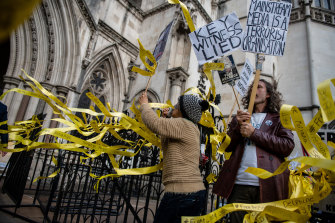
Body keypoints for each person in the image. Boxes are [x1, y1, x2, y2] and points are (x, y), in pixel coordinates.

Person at [213, 79, 295, 223]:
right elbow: (227, 147)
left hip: (268, 185)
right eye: (251, 88)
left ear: (268, 94)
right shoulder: (241, 118)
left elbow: (287, 146)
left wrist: (254, 133)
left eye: (259, 87)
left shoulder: (279, 118)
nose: (253, 90)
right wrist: (237, 127)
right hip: (239, 185)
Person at [138, 91, 209, 223]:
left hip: (181, 194)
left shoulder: (183, 125)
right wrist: (167, 118)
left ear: (183, 110)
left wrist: (144, 105)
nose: (174, 106)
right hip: (192, 193)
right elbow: (167, 142)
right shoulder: (190, 127)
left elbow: (154, 124)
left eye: (177, 104)